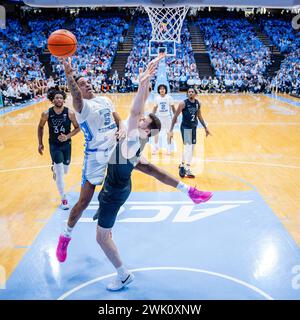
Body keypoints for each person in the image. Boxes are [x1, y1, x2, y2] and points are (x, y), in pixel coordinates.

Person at [94, 56, 213, 291]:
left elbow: (135, 108)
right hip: (120, 186)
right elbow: (154, 171)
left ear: (146, 128)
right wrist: (185, 188)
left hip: (114, 191)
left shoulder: (132, 136)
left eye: (143, 119)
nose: (139, 117)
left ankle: (123, 274)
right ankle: (188, 190)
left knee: (101, 237)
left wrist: (143, 83)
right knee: (148, 169)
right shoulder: (137, 142)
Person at [55, 57, 126, 258]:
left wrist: (121, 128)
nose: (87, 85)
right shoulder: (82, 108)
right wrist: (69, 76)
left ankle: (186, 189)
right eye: (82, 84)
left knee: (139, 169)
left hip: (114, 150)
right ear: (77, 90)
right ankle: (65, 236)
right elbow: (76, 97)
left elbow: (118, 117)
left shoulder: (105, 100)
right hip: (95, 157)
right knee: (84, 201)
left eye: (88, 82)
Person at [37, 89, 80, 209]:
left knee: (65, 170)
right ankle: (64, 199)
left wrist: (67, 136)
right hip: (54, 145)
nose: (59, 99)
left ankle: (55, 169)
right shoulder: (46, 113)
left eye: (61, 98)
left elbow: (77, 128)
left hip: (66, 145)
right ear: (52, 100)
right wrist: (40, 143)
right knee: (60, 173)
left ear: (64, 99)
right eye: (56, 98)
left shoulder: (70, 113)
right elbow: (40, 127)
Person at [169, 87, 211, 178]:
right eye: (189, 92)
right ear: (187, 94)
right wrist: (171, 130)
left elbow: (199, 116)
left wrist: (205, 128)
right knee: (188, 148)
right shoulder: (183, 103)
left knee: (191, 149)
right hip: (185, 127)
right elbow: (175, 116)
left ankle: (182, 165)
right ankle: (187, 168)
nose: (190, 93)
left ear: (195, 94)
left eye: (192, 92)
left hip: (194, 128)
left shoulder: (198, 104)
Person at [152, 84, 176, 155]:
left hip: (168, 117)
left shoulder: (169, 97)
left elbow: (173, 108)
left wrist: (175, 117)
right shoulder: (156, 98)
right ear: (159, 90)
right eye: (160, 89)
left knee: (169, 132)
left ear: (165, 90)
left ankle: (169, 148)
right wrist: (152, 116)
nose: (162, 90)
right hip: (159, 117)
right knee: (156, 132)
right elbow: (155, 108)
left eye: (163, 89)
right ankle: (155, 147)